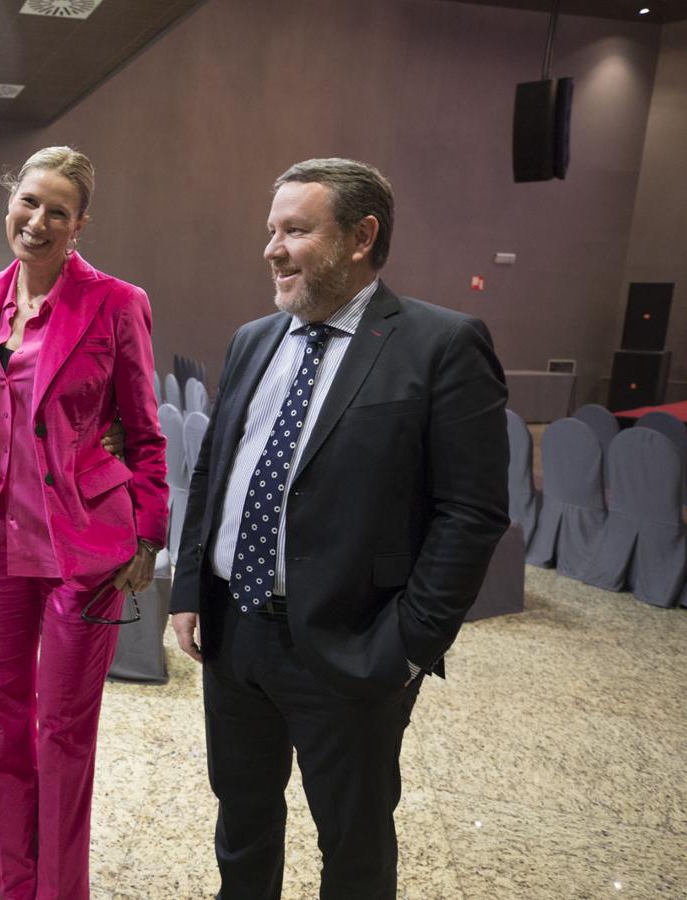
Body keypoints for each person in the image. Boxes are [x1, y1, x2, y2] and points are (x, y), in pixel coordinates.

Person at [171, 157, 509, 899]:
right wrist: (190, 589)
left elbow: (472, 511)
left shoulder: (441, 343)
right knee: (242, 821)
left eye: (296, 230)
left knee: (353, 846)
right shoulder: (254, 338)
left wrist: (410, 644)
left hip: (354, 643)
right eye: (271, 230)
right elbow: (215, 470)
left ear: (361, 237)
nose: (272, 249)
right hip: (236, 632)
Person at [0, 147, 168, 900]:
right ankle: (10, 880)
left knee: (65, 729)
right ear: (9, 202)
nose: (38, 221)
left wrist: (148, 532)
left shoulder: (116, 302)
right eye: (29, 202)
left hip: (83, 544)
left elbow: (145, 431)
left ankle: (58, 889)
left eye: (58, 211)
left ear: (79, 225)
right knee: (2, 718)